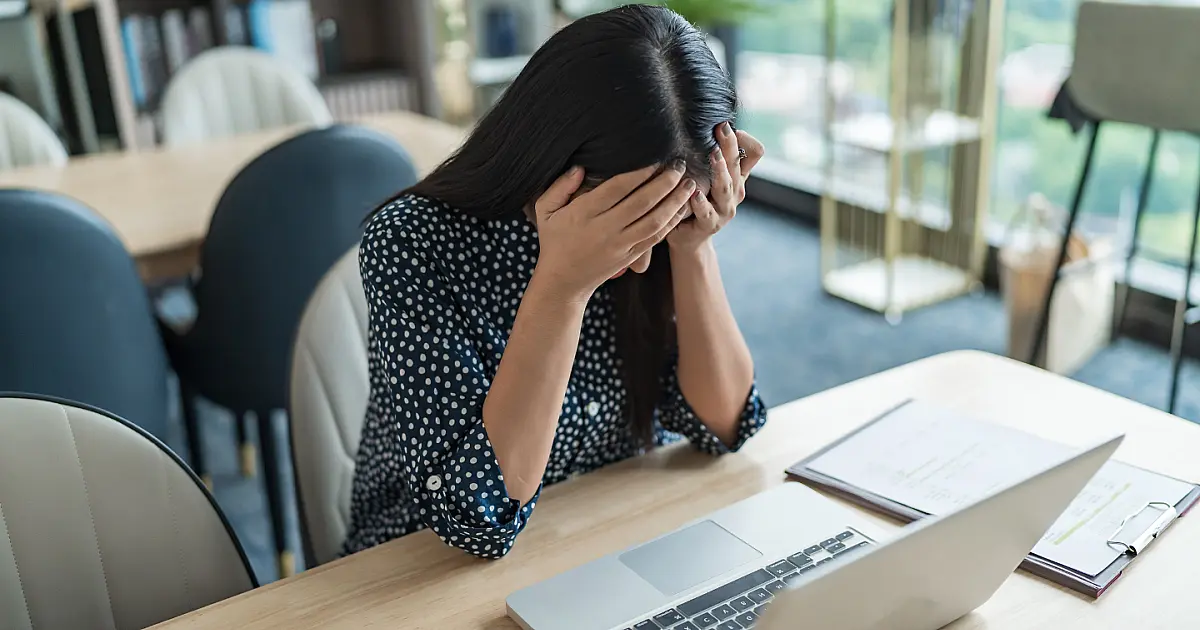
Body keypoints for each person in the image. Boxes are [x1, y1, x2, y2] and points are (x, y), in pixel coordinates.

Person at [343, 3, 768, 559]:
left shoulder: (666, 220)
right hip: (422, 564)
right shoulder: (412, 243)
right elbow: (478, 521)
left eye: (668, 214)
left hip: (602, 531)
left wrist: (692, 246)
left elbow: (724, 425)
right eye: (630, 219)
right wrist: (563, 286)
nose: (640, 253)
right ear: (549, 161)